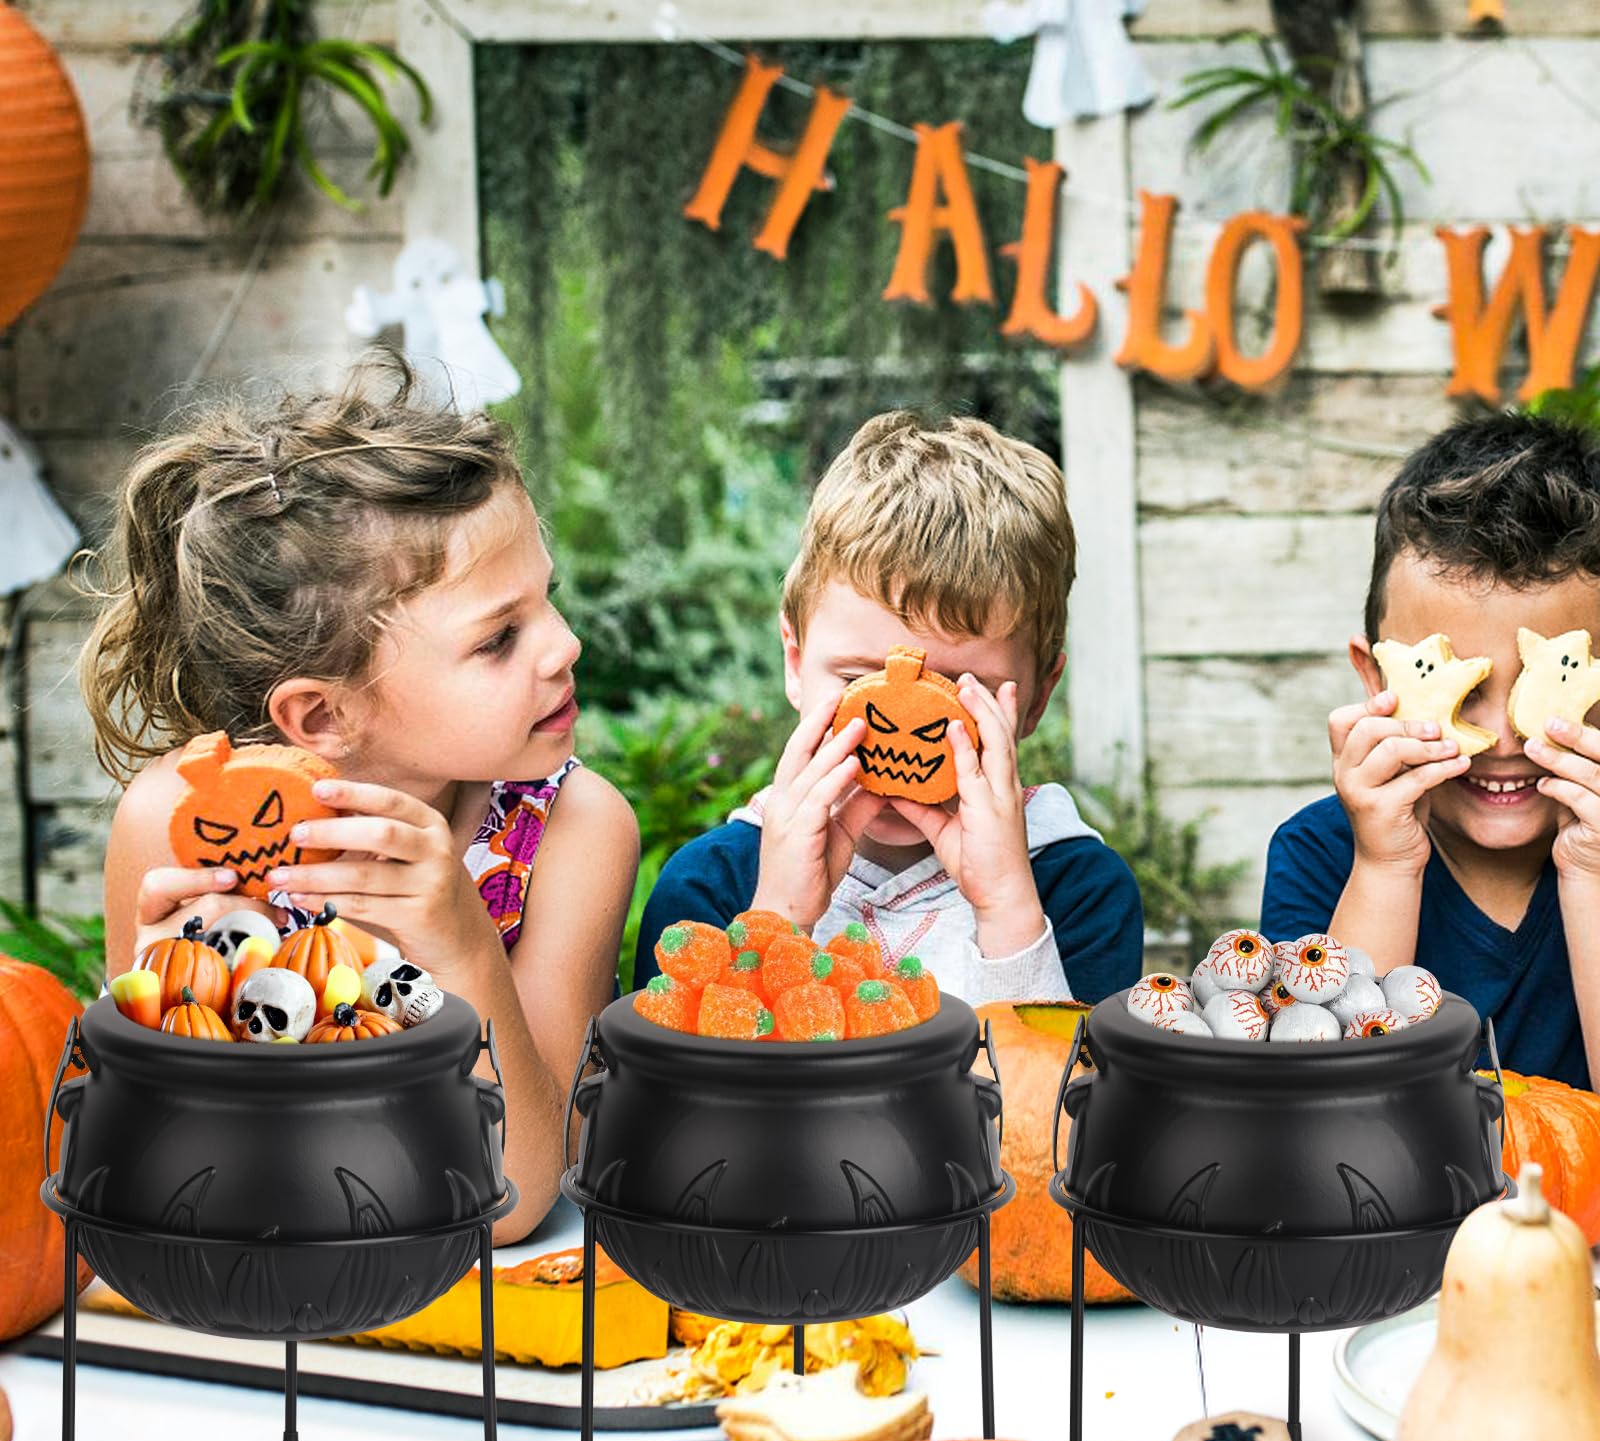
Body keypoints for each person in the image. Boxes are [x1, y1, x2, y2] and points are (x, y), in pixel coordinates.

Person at [79, 355, 639, 1237]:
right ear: (323, 715)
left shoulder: (570, 830)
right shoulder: (175, 829)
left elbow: (518, 1197)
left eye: (548, 600)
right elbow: (157, 1178)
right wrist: (169, 1025)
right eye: (499, 638)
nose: (564, 645)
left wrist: (465, 947)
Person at [636, 411, 1143, 1005]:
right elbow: (684, 1069)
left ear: (1035, 700)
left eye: (959, 692)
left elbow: (1061, 1072)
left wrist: (1008, 912)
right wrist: (779, 921)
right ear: (796, 663)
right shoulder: (709, 889)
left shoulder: (1080, 891)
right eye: (859, 681)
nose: (903, 731)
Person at [1261, 413, 1600, 1093]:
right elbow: (1327, 1112)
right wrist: (1385, 866)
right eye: (1464, 690)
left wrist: (1590, 874)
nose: (1503, 740)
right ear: (1376, 678)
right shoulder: (1320, 854)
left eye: (1537, 690)